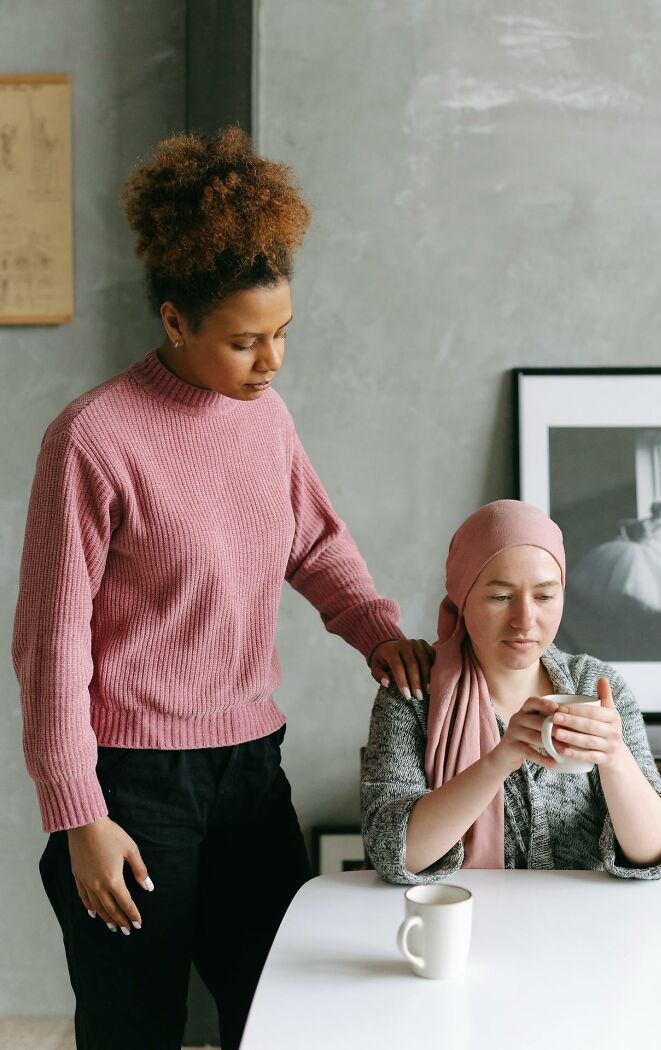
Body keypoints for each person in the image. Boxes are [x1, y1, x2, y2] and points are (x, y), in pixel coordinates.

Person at [12, 127, 433, 1050]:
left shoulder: (265, 420)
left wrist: (376, 630)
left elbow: (314, 542)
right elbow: (52, 645)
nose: (272, 361)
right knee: (135, 1025)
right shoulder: (92, 439)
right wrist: (80, 814)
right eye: (245, 342)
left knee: (281, 1014)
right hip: (132, 782)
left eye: (281, 334)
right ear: (174, 321)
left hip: (249, 767)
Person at [361, 499, 661, 883]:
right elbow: (391, 852)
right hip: (461, 928)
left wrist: (614, 758)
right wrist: (500, 759)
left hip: (584, 930)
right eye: (500, 597)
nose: (524, 620)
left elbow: (656, 855)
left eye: (545, 596)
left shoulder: (594, 685)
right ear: (462, 598)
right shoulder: (414, 691)